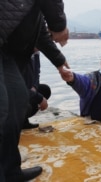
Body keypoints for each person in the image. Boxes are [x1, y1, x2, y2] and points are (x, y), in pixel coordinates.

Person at [0, 0, 70, 181]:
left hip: (5, 52)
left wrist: (60, 62)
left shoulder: (32, 9)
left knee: (18, 98)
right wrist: (59, 25)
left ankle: (10, 171)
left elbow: (40, 35)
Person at [22, 49, 51, 129]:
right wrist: (39, 98)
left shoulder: (36, 53)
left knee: (45, 90)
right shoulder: (21, 53)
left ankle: (24, 120)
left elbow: (37, 73)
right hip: (17, 92)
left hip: (27, 88)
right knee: (28, 105)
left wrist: (34, 87)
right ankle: (18, 120)